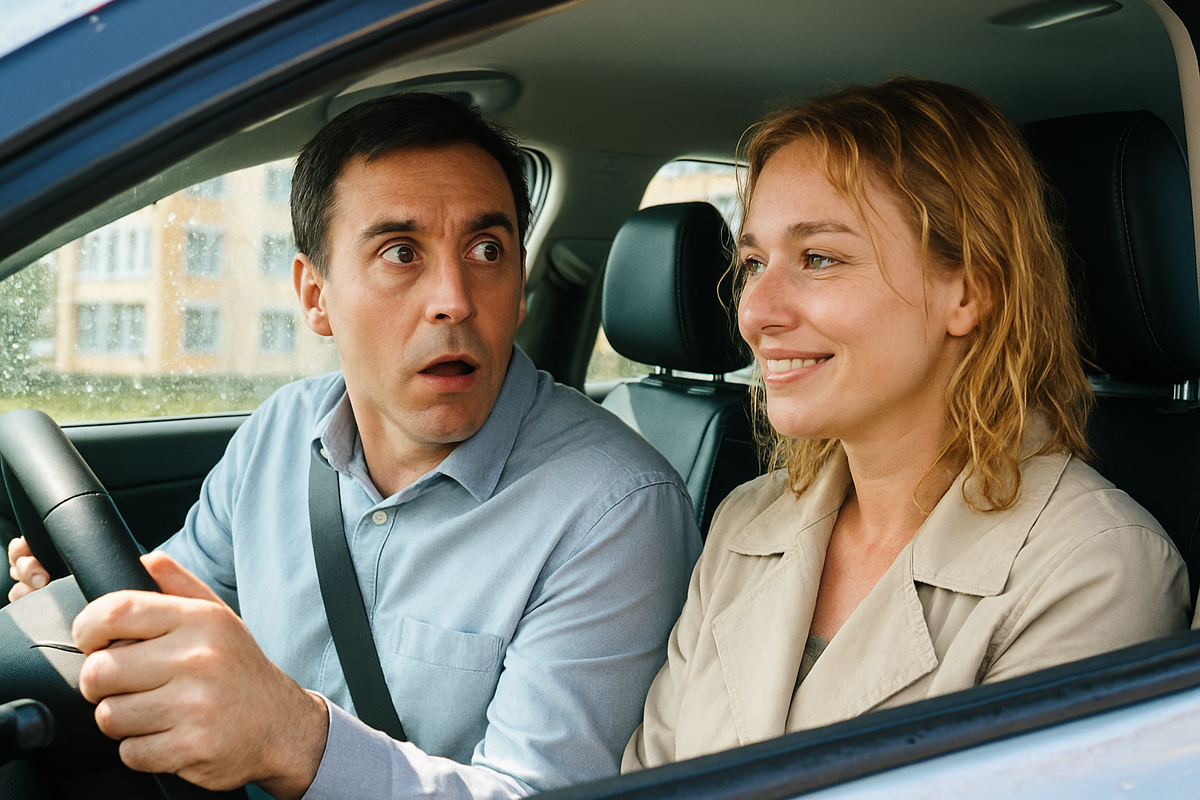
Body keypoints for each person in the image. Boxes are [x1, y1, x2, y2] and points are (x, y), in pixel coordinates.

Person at [9, 92, 701, 798]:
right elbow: (183, 595)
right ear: (315, 296)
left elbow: (538, 794)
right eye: (401, 253)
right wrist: (99, 601)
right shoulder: (280, 432)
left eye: (486, 250)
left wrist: (288, 736)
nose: (455, 299)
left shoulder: (616, 510)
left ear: (520, 285)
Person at [622, 77, 1191, 770]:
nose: (754, 312)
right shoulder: (745, 523)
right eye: (753, 263)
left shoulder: (1096, 570)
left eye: (819, 259)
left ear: (968, 292)